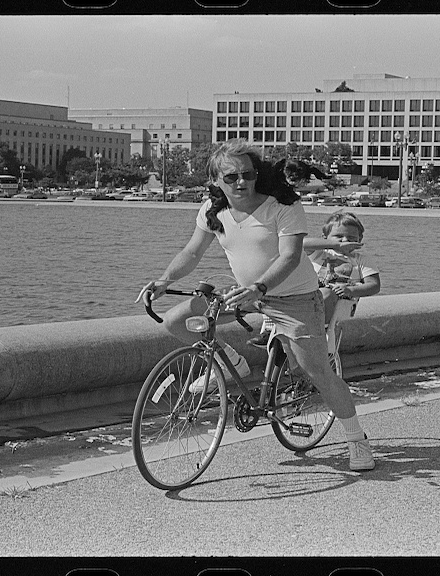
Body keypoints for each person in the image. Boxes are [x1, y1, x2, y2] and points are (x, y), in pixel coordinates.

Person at [136, 139, 375, 472]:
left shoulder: (282, 206)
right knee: (175, 321)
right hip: (245, 293)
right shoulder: (211, 210)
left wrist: (258, 288)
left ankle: (357, 440)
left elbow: (291, 257)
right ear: (215, 179)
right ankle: (229, 359)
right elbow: (192, 252)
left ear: (256, 173)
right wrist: (164, 281)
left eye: (247, 174)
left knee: (316, 371)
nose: (241, 182)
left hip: (294, 299)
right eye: (230, 177)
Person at [249, 211, 380, 346]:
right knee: (277, 283)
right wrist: (334, 245)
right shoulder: (320, 251)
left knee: (326, 293)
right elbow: (302, 243)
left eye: (351, 238)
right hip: (308, 292)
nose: (345, 241)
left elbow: (374, 285)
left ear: (360, 239)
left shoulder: (360, 258)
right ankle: (271, 329)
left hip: (341, 299)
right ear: (325, 238)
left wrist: (351, 290)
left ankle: (318, 332)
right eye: (339, 237)